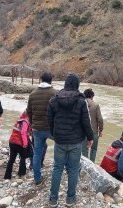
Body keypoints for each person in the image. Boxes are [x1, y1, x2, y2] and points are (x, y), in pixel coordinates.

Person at [47, 73, 93, 207]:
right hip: (75, 142)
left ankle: (53, 199)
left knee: (57, 168)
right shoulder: (81, 100)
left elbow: (49, 120)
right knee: (73, 170)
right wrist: (90, 138)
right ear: (77, 84)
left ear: (65, 84)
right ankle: (70, 199)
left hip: (60, 141)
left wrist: (54, 134)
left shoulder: (54, 99)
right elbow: (86, 122)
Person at [27, 72, 57, 185]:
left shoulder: (33, 94)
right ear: (51, 81)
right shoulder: (55, 93)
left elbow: (29, 111)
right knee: (59, 149)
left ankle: (37, 178)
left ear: (41, 80)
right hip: (51, 128)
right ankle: (58, 173)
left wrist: (32, 123)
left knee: (37, 153)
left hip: (37, 129)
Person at [4, 110, 32, 179]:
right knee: (23, 157)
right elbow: (23, 132)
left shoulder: (19, 120)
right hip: (19, 143)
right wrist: (25, 144)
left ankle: (7, 176)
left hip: (12, 141)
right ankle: (21, 173)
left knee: (11, 159)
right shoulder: (26, 121)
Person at [81, 88, 104, 163]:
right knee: (93, 149)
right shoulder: (96, 105)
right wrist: (100, 130)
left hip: (83, 132)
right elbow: (100, 119)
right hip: (94, 131)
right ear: (91, 96)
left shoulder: (80, 104)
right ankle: (92, 165)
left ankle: (85, 166)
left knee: (84, 150)